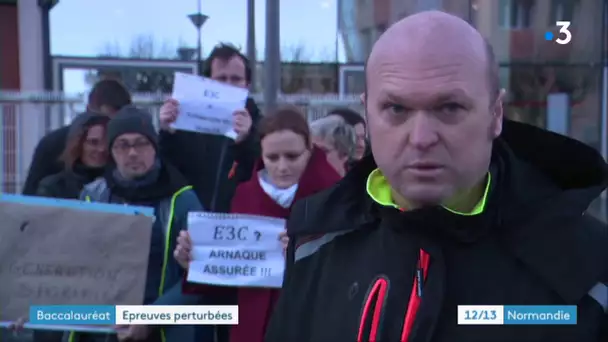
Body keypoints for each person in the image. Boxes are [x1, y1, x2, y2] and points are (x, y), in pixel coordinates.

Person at [265, 11, 608, 342]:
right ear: (367, 112)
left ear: (496, 114)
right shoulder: (316, 238)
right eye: (397, 109)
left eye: (449, 108)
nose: (421, 137)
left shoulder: (587, 269)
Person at [173, 107, 343, 342]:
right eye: (272, 157)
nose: (282, 167)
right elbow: (229, 279)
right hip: (251, 329)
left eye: (292, 156)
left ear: (309, 151)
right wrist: (195, 262)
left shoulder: (335, 197)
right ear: (261, 156)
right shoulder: (244, 195)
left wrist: (303, 255)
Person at [76, 106, 206, 342]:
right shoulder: (91, 198)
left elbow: (199, 275)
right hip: (103, 329)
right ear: (112, 152)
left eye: (141, 143)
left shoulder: (182, 199)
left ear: (154, 148)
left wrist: (149, 318)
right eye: (123, 145)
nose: (133, 153)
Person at [159, 43, 261, 213]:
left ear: (247, 85)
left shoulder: (261, 126)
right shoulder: (187, 124)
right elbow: (167, 172)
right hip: (192, 225)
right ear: (207, 82)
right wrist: (166, 132)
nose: (229, 85)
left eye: (236, 79)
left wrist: (247, 141)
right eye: (221, 79)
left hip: (239, 226)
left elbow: (265, 176)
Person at [22, 79, 132, 195]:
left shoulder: (127, 145)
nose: (102, 148)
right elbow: (30, 198)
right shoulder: (53, 144)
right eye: (93, 142)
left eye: (115, 122)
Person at [36, 112, 110, 199]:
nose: (102, 149)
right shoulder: (54, 187)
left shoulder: (119, 187)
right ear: (78, 145)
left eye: (107, 143)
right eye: (93, 142)